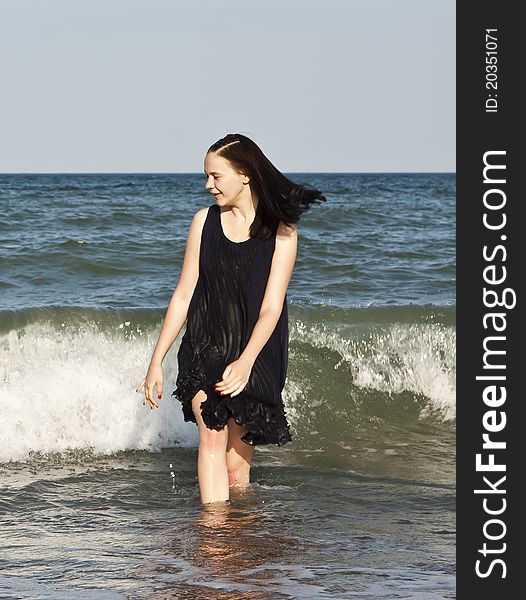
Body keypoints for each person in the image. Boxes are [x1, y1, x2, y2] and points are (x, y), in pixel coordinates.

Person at [136, 133, 326, 505]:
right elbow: (183, 294)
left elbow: (272, 306)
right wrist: (156, 361)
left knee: (237, 468)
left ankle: (239, 544)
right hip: (206, 343)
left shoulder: (282, 231)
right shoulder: (202, 223)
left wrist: (246, 361)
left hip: (254, 351)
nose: (208, 185)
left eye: (215, 176)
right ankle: (215, 533)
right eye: (206, 176)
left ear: (244, 174)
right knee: (212, 434)